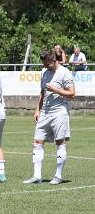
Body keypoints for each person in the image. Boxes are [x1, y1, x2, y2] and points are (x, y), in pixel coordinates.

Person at [25, 49, 75, 185]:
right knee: (37, 142)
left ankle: (58, 176)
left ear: (54, 60)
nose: (45, 67)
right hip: (45, 112)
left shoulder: (65, 73)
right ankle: (37, 176)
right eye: (44, 64)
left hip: (59, 111)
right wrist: (37, 109)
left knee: (60, 142)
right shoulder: (44, 72)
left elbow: (72, 94)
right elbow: (42, 92)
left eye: (48, 64)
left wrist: (56, 90)